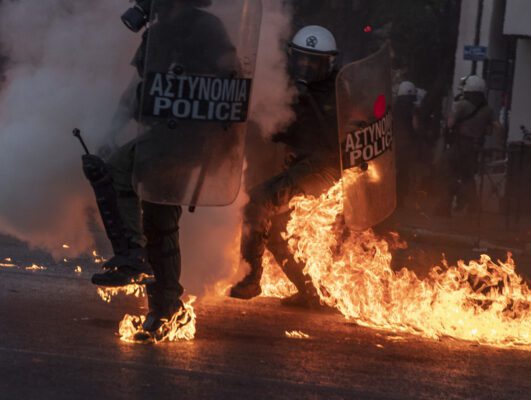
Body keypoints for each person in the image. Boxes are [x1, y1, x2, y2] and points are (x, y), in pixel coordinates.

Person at [82, 0, 237, 336]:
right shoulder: (160, 31)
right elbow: (139, 90)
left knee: (122, 175)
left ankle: (133, 257)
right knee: (157, 214)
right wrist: (112, 131)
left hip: (191, 136)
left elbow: (230, 84)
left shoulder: (205, 28)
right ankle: (165, 308)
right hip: (163, 133)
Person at [229, 25, 340, 307]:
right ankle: (312, 293)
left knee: (257, 202)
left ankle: (251, 280)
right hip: (305, 165)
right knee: (278, 229)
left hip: (326, 167)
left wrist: (308, 98)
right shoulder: (295, 88)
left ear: (328, 63)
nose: (306, 66)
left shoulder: (339, 91)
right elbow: (292, 132)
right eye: (301, 59)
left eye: (313, 61)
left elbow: (333, 136)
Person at [435, 75, 497, 217]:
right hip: (474, 149)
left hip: (459, 145)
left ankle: (447, 205)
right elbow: (493, 128)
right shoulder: (487, 110)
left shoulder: (461, 105)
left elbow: (449, 124)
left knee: (446, 172)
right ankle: (474, 208)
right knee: (468, 177)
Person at [393, 81, 419, 207]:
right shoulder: (413, 109)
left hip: (392, 144)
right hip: (406, 145)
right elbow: (415, 126)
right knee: (403, 172)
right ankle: (400, 199)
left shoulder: (392, 107)